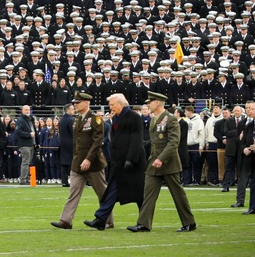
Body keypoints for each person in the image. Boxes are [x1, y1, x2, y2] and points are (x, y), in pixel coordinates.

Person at [128, 92, 197, 232]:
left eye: (150, 102)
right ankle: (144, 223)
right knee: (148, 194)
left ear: (158, 103)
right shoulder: (154, 119)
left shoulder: (170, 119)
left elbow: (173, 142)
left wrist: (161, 158)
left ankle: (189, 222)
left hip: (169, 163)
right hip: (153, 163)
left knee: (178, 194)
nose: (148, 104)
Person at [84, 94, 145, 230]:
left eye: (112, 105)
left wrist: (130, 159)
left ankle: (144, 221)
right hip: (118, 162)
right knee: (112, 190)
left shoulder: (134, 117)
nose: (110, 108)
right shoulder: (116, 118)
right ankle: (100, 219)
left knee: (139, 193)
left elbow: (136, 139)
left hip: (132, 163)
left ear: (121, 104)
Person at [51, 91, 110, 229]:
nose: (75, 105)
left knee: (102, 193)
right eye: (74, 103)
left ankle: (107, 220)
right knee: (73, 191)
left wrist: (89, 159)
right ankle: (66, 220)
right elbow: (76, 142)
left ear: (86, 103)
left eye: (77, 103)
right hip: (77, 162)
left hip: (94, 163)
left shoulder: (96, 119)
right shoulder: (76, 119)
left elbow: (97, 142)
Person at [15, 105, 36, 182]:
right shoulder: (20, 120)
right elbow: (18, 132)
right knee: (25, 162)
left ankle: (26, 178)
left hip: (31, 144)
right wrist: (29, 134)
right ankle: (23, 179)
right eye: (26, 110)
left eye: (28, 110)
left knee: (28, 162)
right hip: (25, 144)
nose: (27, 111)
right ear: (22, 111)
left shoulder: (30, 119)